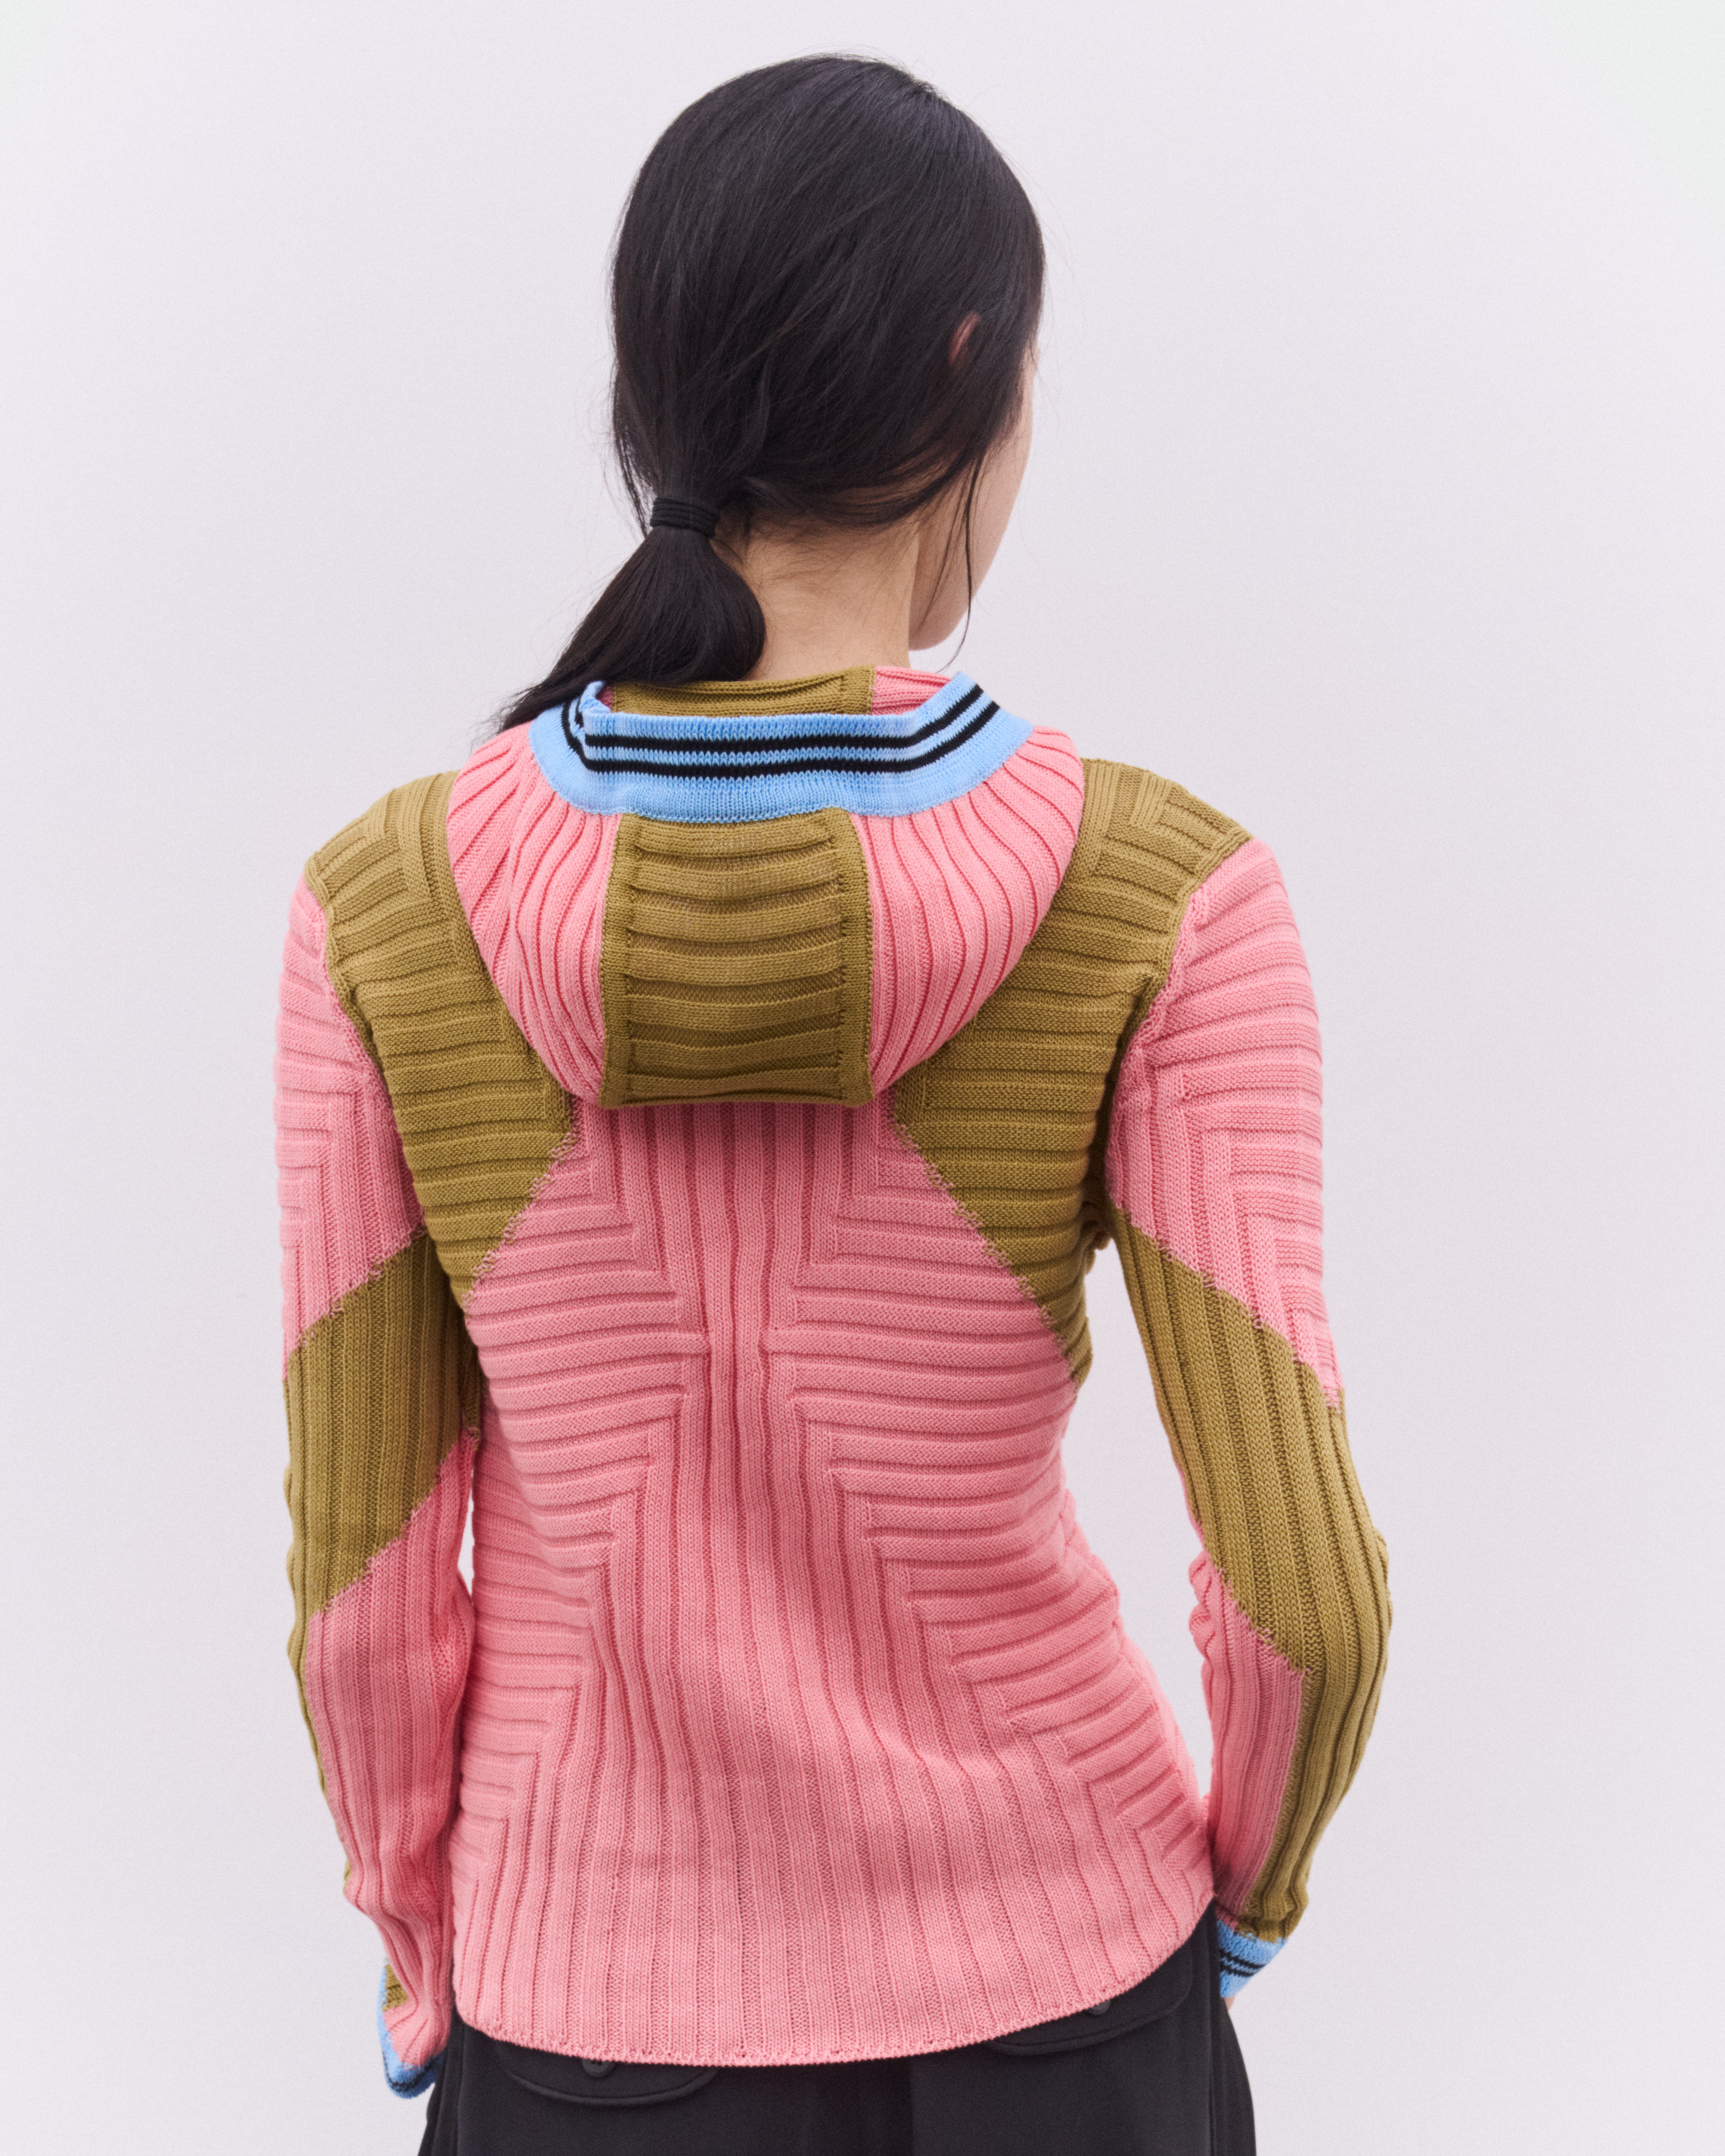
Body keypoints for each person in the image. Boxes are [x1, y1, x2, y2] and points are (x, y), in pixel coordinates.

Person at [274, 54, 1390, 2156]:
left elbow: (365, 1585)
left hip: (586, 2026)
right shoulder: (1167, 895)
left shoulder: (383, 915)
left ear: (654, 403)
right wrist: (1245, 1897)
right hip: (1069, 2003)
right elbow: (1305, 1591)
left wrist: (421, 1938)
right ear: (974, 369)